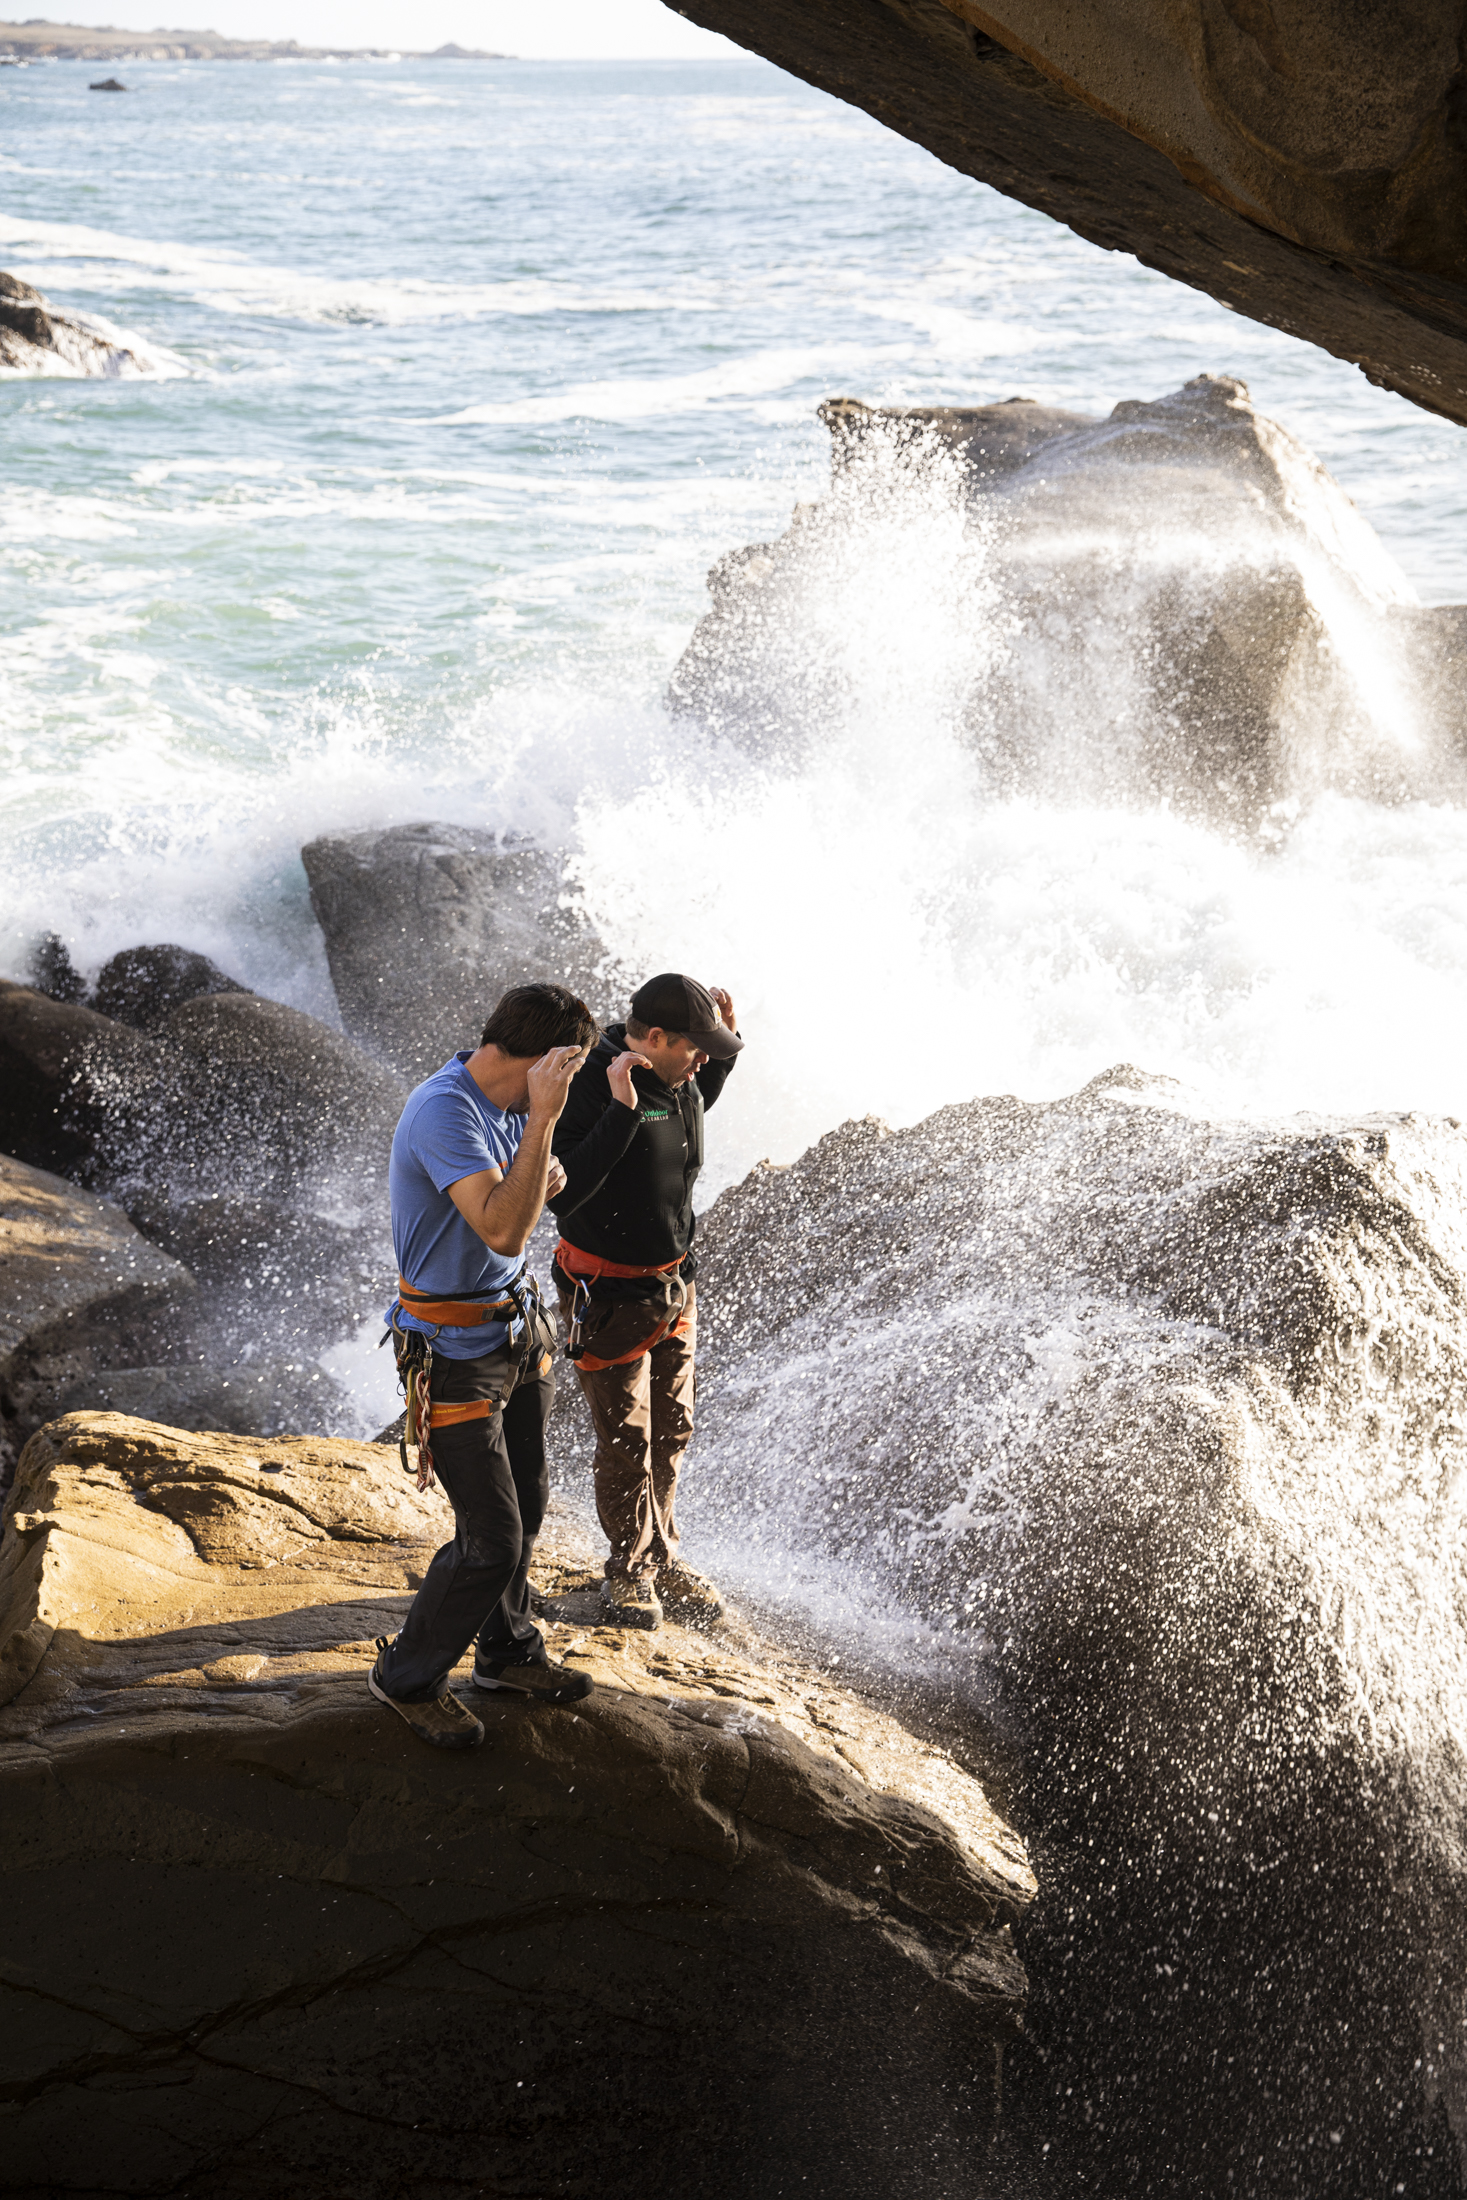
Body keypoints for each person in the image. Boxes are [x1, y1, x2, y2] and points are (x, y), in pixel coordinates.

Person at [367, 981, 599, 1751]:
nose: (570, 1085)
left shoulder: (501, 1106)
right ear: (545, 1062)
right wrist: (543, 1124)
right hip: (454, 1353)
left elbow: (510, 1207)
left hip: (513, 1333)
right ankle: (405, 1676)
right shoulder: (445, 1109)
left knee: (527, 1506)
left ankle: (504, 1653)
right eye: (568, 1070)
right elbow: (502, 1231)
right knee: (491, 1536)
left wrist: (540, 1165)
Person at [548, 972, 743, 1630]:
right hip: (606, 1293)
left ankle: (661, 1554)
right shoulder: (592, 1082)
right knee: (628, 1440)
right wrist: (621, 1109)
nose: (703, 1061)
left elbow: (702, 1087)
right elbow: (561, 1195)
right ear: (655, 1037)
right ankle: (627, 1568)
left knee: (674, 1428)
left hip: (672, 1286)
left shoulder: (682, 1075)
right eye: (696, 1047)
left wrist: (727, 1040)